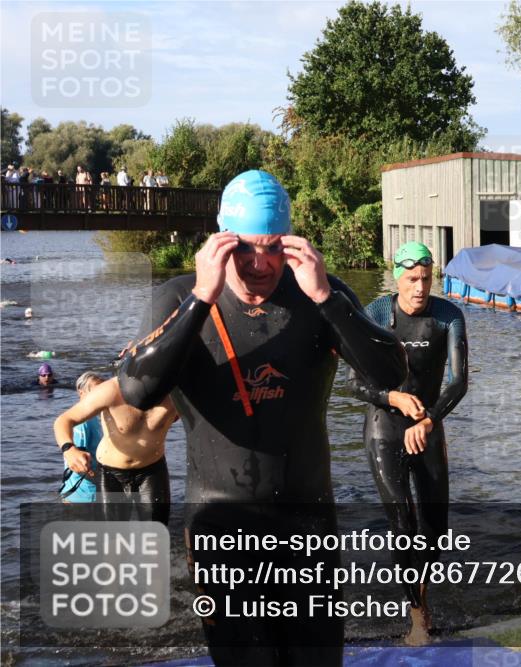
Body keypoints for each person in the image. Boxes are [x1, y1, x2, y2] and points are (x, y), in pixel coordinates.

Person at [117, 169, 406, 666]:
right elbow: (138, 390)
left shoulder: (319, 293)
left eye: (272, 247)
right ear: (220, 242)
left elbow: (390, 373)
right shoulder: (179, 297)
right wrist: (202, 299)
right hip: (221, 528)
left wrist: (325, 299)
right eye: (244, 248)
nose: (258, 264)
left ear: (290, 242)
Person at [347, 241, 469, 646]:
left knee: (435, 532)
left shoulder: (448, 316)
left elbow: (458, 381)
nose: (420, 287)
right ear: (397, 276)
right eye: (412, 279)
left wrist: (430, 419)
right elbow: (354, 382)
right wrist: (393, 397)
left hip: (428, 427)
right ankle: (417, 614)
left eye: (427, 278)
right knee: (403, 523)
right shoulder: (378, 314)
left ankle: (421, 592)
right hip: (385, 427)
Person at [53, 374, 177, 524]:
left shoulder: (178, 395)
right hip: (112, 473)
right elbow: (64, 420)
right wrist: (69, 449)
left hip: (152, 471)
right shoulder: (111, 390)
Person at [57, 372, 104, 503]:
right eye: (95, 392)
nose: (102, 397)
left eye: (103, 392)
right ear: (81, 392)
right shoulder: (82, 423)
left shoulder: (94, 418)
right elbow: (78, 463)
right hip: (82, 494)